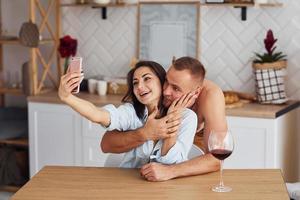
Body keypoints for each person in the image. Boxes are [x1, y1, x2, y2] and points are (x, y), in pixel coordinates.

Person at [101, 56, 227, 181]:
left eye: (176, 88)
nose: (166, 91)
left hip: (190, 161)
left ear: (196, 92)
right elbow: (107, 144)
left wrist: (170, 171)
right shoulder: (154, 91)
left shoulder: (211, 96)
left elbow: (217, 158)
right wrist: (145, 134)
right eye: (166, 81)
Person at [58, 60, 198, 168]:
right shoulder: (132, 113)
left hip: (167, 188)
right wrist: (67, 97)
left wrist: (173, 118)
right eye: (135, 83)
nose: (140, 87)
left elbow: (173, 163)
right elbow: (98, 115)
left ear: (162, 82)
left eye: (147, 78)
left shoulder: (188, 118)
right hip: (129, 183)